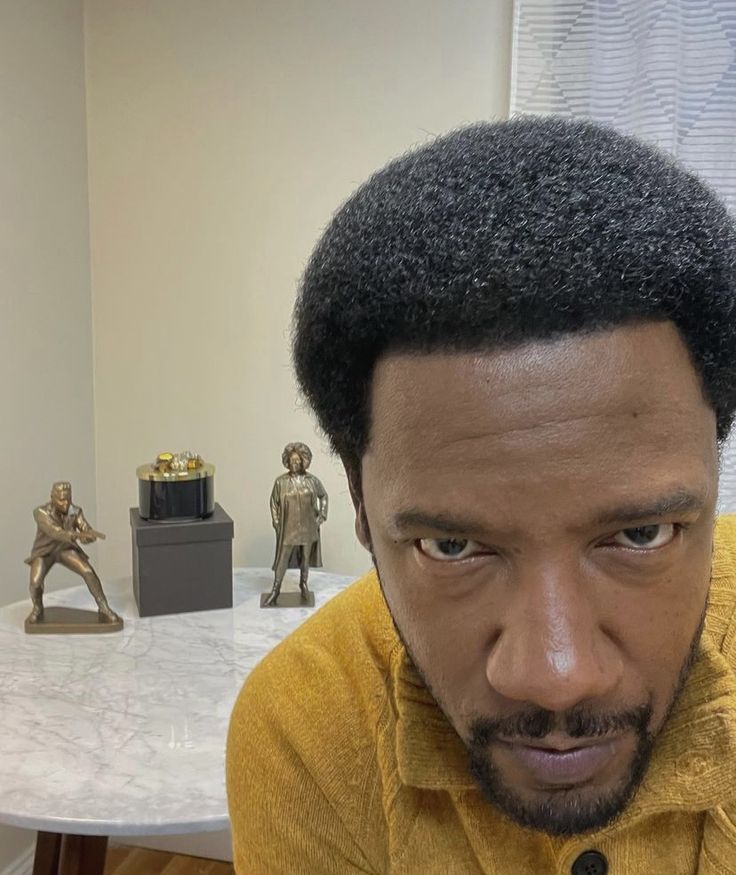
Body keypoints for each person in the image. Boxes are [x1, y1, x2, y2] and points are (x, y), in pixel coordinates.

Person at [226, 117, 736, 873]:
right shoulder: (308, 726)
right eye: (453, 545)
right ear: (361, 511)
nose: (556, 675)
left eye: (640, 534)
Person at [26, 481, 120, 624]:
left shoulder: (75, 511)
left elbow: (84, 528)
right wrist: (76, 536)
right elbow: (54, 531)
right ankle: (37, 607)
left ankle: (104, 607)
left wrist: (88, 537)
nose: (66, 503)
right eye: (62, 499)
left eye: (68, 499)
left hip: (66, 549)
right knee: (35, 582)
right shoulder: (40, 513)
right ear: (52, 498)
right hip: (45, 552)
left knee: (88, 572)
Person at [263, 442, 328, 606]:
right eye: (292, 461)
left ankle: (303, 584)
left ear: (303, 462)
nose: (295, 464)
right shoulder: (281, 482)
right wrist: (276, 522)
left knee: (305, 558)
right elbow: (273, 503)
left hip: (307, 527)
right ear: (287, 462)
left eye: (297, 461)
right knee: (282, 559)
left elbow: (323, 496)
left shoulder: (312, 481)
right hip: (288, 529)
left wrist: (321, 516)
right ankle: (276, 589)